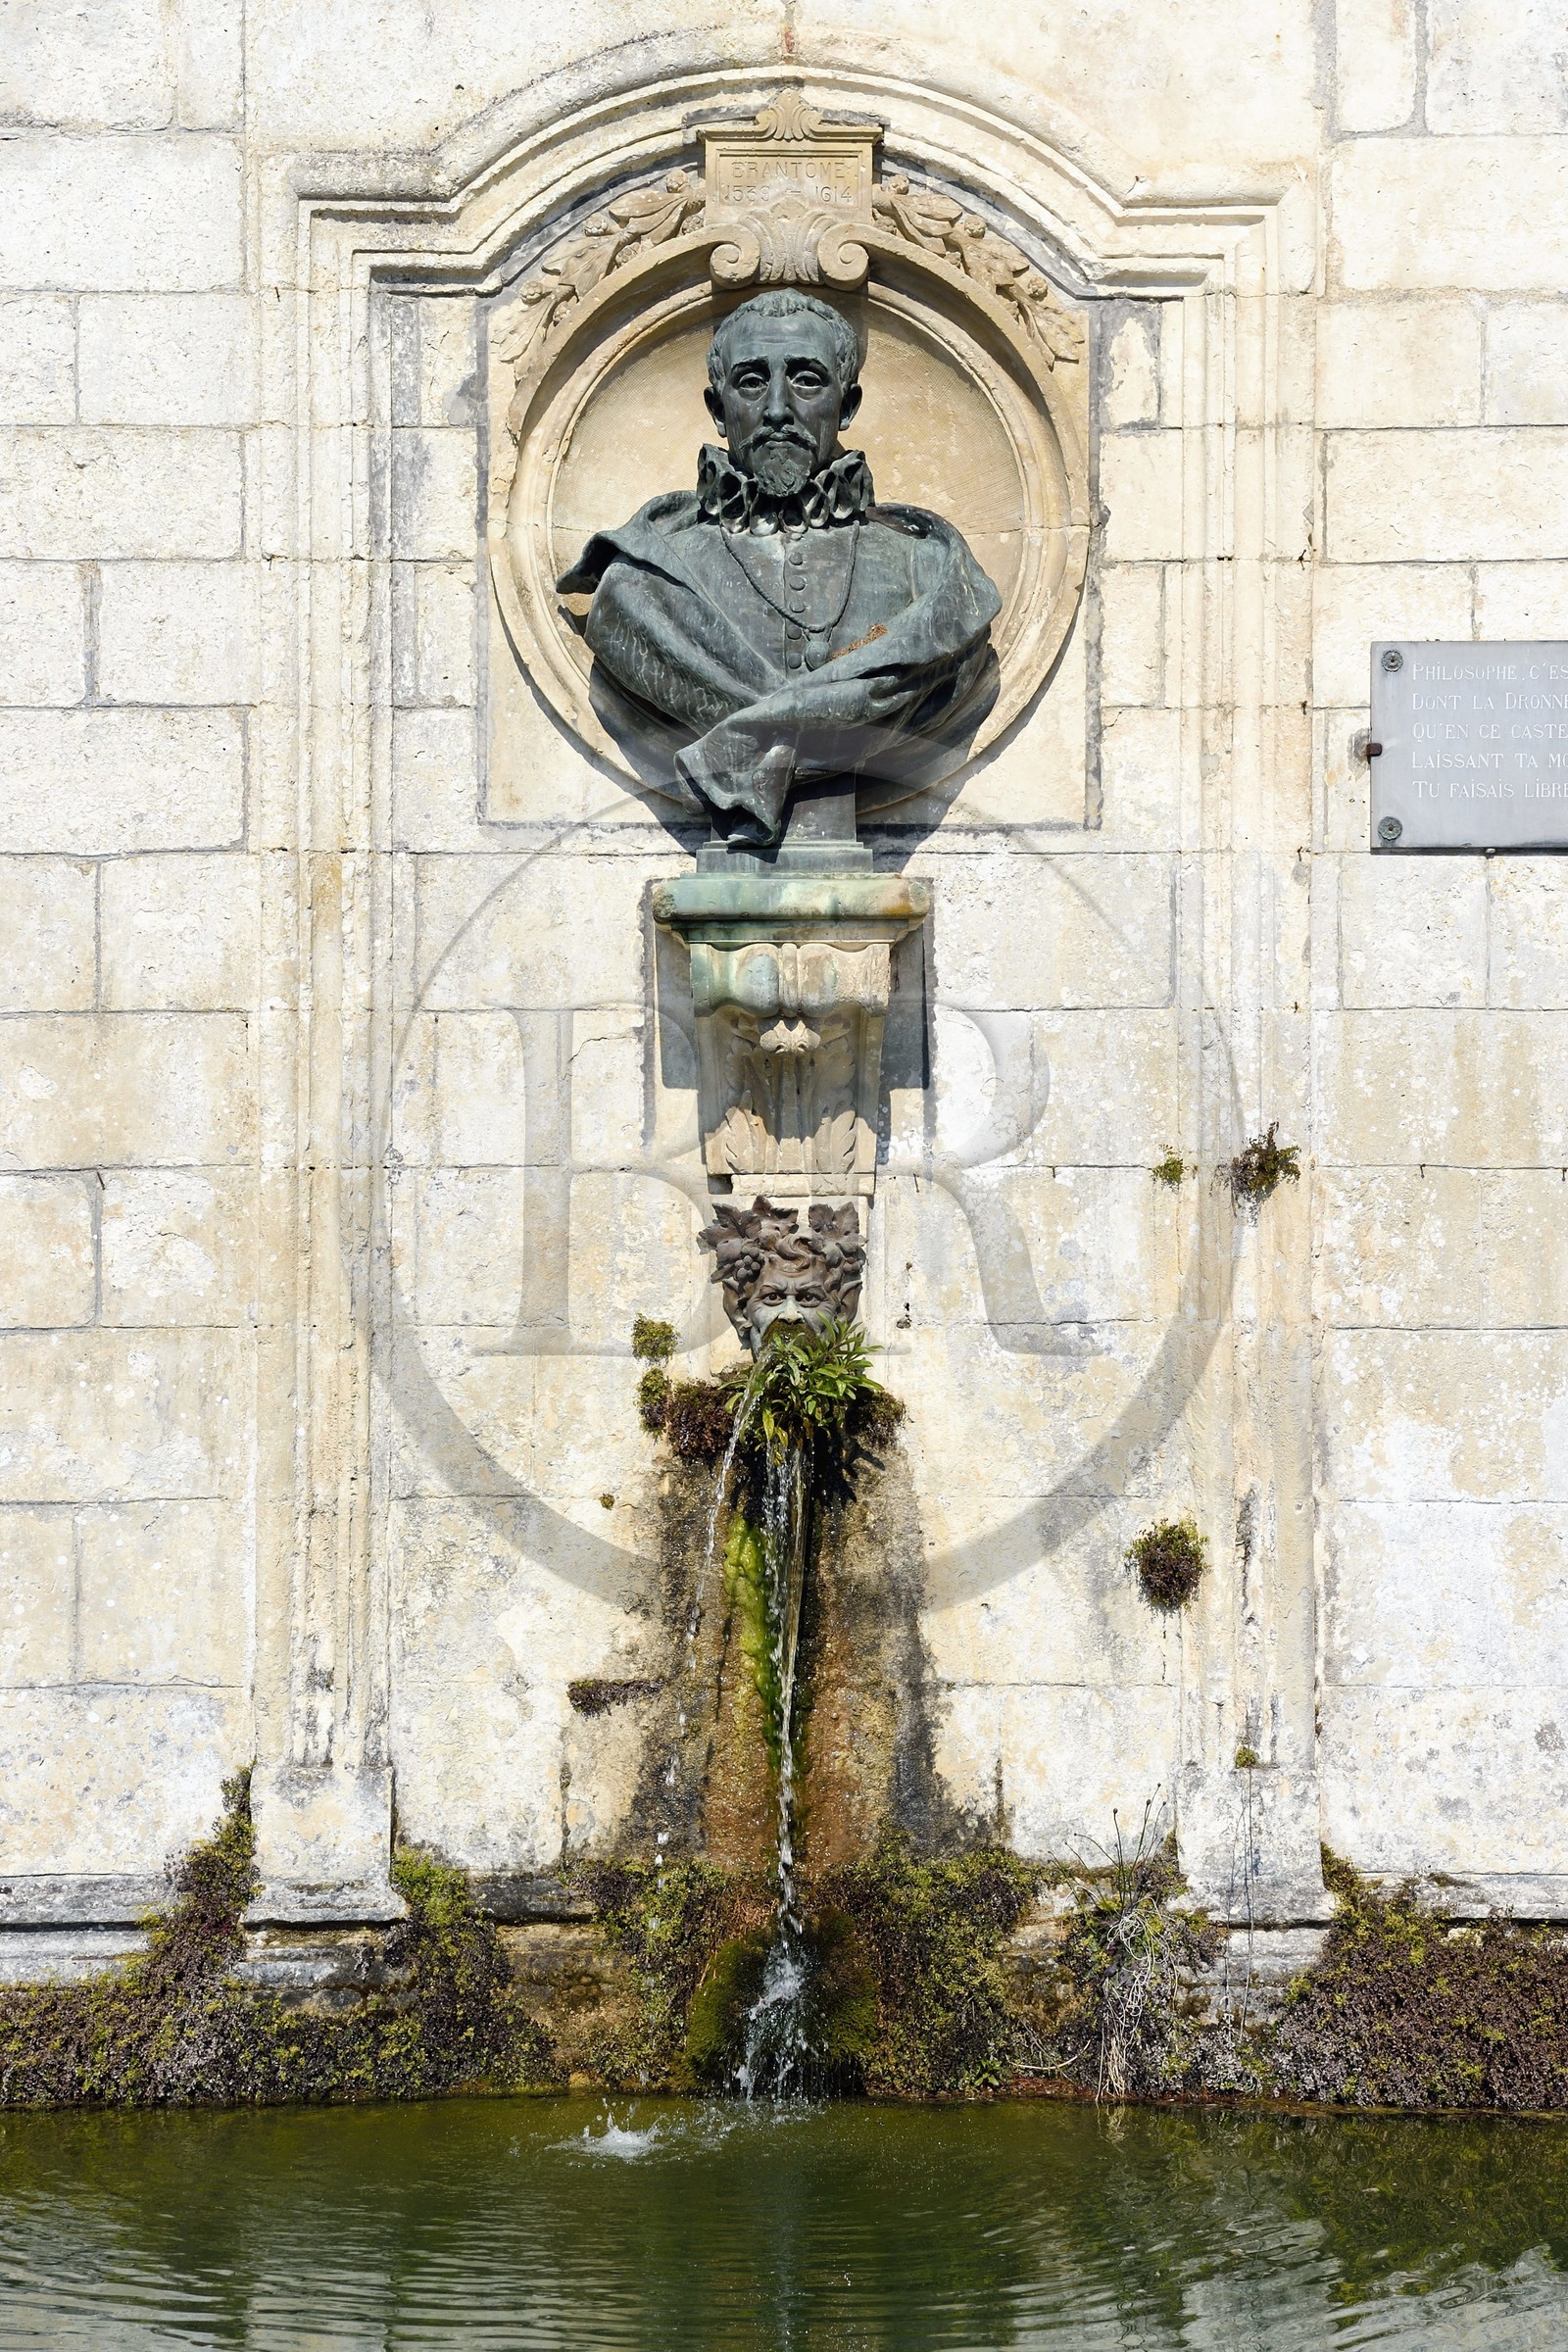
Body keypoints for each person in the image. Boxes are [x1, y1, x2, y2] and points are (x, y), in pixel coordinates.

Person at [557, 288, 1001, 848]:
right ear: (719, 411)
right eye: (750, 381)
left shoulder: (929, 572)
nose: (776, 410)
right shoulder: (643, 588)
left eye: (807, 380)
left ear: (849, 403)